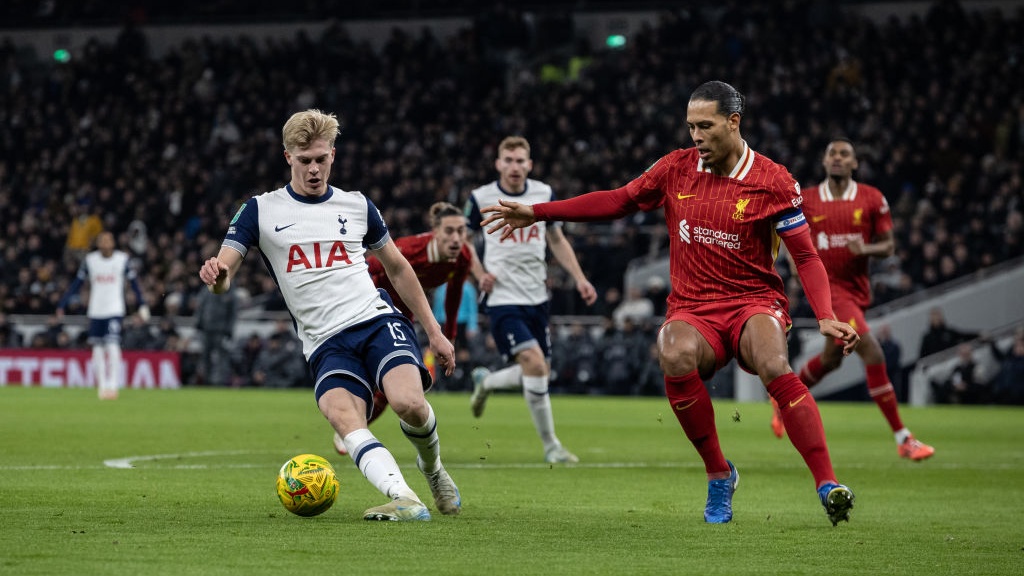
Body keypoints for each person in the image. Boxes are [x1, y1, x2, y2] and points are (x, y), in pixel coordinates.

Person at [479, 81, 860, 525]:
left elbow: (806, 255)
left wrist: (826, 316)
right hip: (693, 307)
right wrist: (541, 212)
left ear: (733, 122)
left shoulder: (774, 181)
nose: (695, 136)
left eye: (705, 125)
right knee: (674, 353)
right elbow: (618, 201)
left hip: (752, 301)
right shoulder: (675, 168)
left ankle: (827, 484)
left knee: (774, 365)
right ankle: (719, 473)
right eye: (690, 126)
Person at [198, 109, 460, 521]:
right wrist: (218, 276)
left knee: (408, 402)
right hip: (324, 341)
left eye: (321, 159)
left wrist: (434, 332)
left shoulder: (356, 205)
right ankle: (405, 498)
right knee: (343, 416)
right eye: (305, 161)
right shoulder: (260, 211)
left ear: (333, 155)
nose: (314, 169)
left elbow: (397, 267)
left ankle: (433, 469)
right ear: (287, 157)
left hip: (375, 320)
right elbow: (226, 268)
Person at [769, 139, 935, 461]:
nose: (838, 159)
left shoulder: (873, 199)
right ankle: (903, 438)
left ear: (855, 163)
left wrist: (865, 249)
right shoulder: (810, 200)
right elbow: (786, 232)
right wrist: (792, 263)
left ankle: (781, 395)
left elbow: (888, 246)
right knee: (873, 353)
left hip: (856, 291)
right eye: (832, 153)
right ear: (824, 160)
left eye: (844, 154)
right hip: (830, 291)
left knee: (831, 360)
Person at [464, 135, 598, 464]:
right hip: (501, 297)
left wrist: (580, 278)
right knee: (535, 364)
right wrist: (479, 274)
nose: (514, 166)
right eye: (508, 160)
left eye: (520, 160)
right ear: (498, 164)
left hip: (537, 296)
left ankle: (487, 381)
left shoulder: (543, 194)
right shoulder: (480, 197)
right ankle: (552, 446)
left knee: (540, 372)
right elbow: (464, 244)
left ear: (530, 164)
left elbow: (557, 239)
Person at [331, 201, 476, 454]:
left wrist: (448, 336)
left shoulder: (462, 258)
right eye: (449, 231)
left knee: (396, 387)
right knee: (380, 377)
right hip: (373, 306)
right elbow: (369, 267)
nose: (456, 238)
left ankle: (354, 429)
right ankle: (350, 425)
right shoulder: (410, 250)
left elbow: (454, 295)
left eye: (461, 232)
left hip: (405, 313)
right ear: (435, 232)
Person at [56, 231, 150, 400]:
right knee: (97, 349)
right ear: (98, 243)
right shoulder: (90, 261)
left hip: (114, 309)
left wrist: (142, 303)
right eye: (102, 240)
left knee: (112, 345)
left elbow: (134, 283)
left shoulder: (122, 259)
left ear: (113, 243)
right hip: (96, 310)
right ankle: (102, 386)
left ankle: (113, 386)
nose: (105, 243)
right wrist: (62, 304)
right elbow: (76, 284)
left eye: (108, 240)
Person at [193, 282, 239, 386]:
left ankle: (220, 381)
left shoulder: (230, 290)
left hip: (221, 330)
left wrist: (229, 330)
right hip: (206, 329)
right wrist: (198, 323)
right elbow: (200, 307)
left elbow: (233, 313)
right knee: (205, 357)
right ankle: (206, 381)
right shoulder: (207, 289)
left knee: (222, 357)